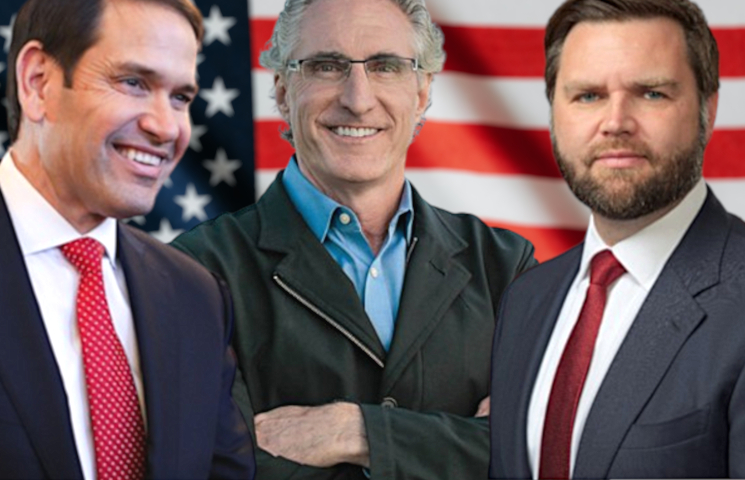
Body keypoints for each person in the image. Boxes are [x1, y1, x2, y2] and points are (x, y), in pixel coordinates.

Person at [171, 0, 536, 478]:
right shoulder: (196, 272)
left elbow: (543, 452)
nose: (358, 98)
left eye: (386, 67)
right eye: (326, 66)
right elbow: (224, 469)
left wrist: (357, 430)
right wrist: (458, 443)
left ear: (422, 92)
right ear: (282, 90)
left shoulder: (504, 267)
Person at [0, 0, 255, 478]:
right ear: (38, 82)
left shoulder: (196, 297)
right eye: (134, 83)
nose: (166, 126)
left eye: (181, 98)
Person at [489, 0, 745, 478]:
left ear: (708, 109)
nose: (616, 122)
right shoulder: (526, 300)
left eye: (651, 93)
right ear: (553, 114)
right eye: (587, 95)